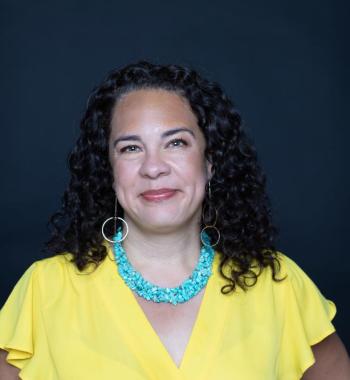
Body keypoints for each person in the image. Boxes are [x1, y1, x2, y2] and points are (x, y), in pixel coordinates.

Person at [0, 61, 349, 380]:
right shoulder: (44, 292)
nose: (154, 167)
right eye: (130, 148)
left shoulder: (280, 285)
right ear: (109, 170)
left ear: (210, 160)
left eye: (176, 143)